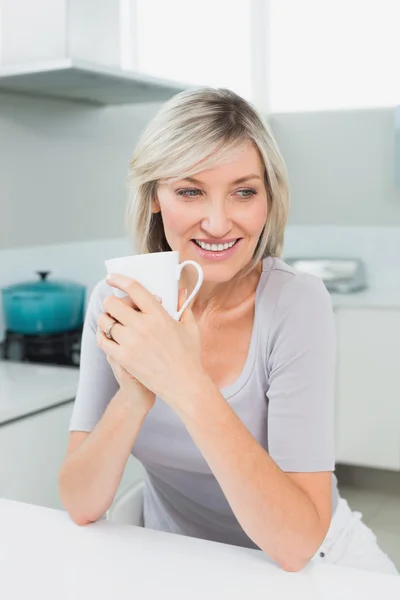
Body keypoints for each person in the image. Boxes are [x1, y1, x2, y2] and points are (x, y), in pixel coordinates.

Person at [58, 88, 398, 575]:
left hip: (314, 562)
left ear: (268, 198)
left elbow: (298, 543)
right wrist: (135, 394)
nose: (218, 223)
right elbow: (79, 501)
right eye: (190, 190)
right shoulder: (113, 304)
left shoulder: (296, 304)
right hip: (177, 558)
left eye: (244, 191)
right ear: (156, 196)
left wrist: (186, 384)